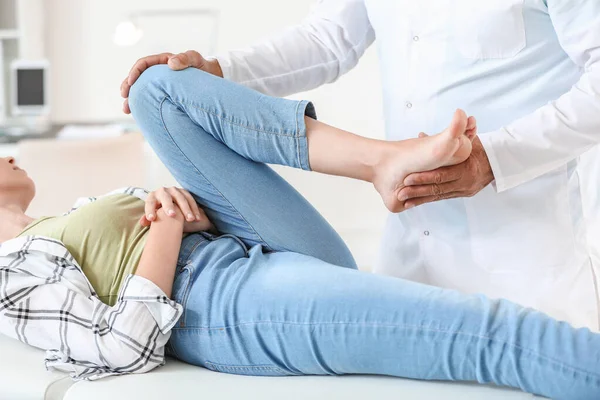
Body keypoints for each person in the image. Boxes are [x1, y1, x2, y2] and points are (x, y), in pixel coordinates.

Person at [1, 65, 599, 399]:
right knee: (481, 332)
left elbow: (175, 221)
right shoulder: (10, 271)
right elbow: (120, 347)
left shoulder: (56, 217)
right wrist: (164, 230)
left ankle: (379, 161)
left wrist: (186, 217)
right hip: (216, 303)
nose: (5, 155)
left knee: (157, 87)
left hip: (235, 246)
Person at [121, 0, 600, 330]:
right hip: (408, 254)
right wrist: (219, 72)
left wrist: (495, 157)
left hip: (525, 265)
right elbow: (329, 40)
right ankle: (379, 163)